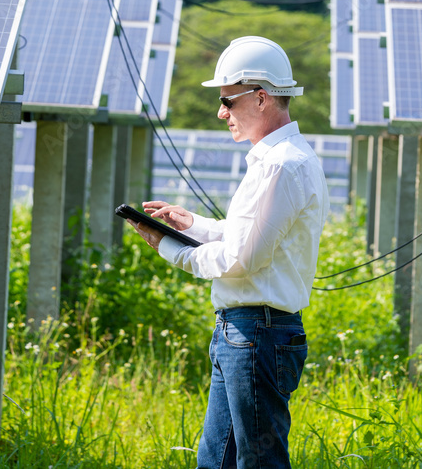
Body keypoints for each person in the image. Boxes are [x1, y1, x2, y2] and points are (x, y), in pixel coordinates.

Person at [126, 36, 330, 469]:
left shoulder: (280, 165)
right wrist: (192, 225)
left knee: (258, 464)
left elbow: (242, 259)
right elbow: (250, 238)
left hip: (256, 332)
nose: (221, 113)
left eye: (227, 101)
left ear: (260, 98)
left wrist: (169, 248)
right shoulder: (281, 160)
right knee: (216, 463)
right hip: (248, 331)